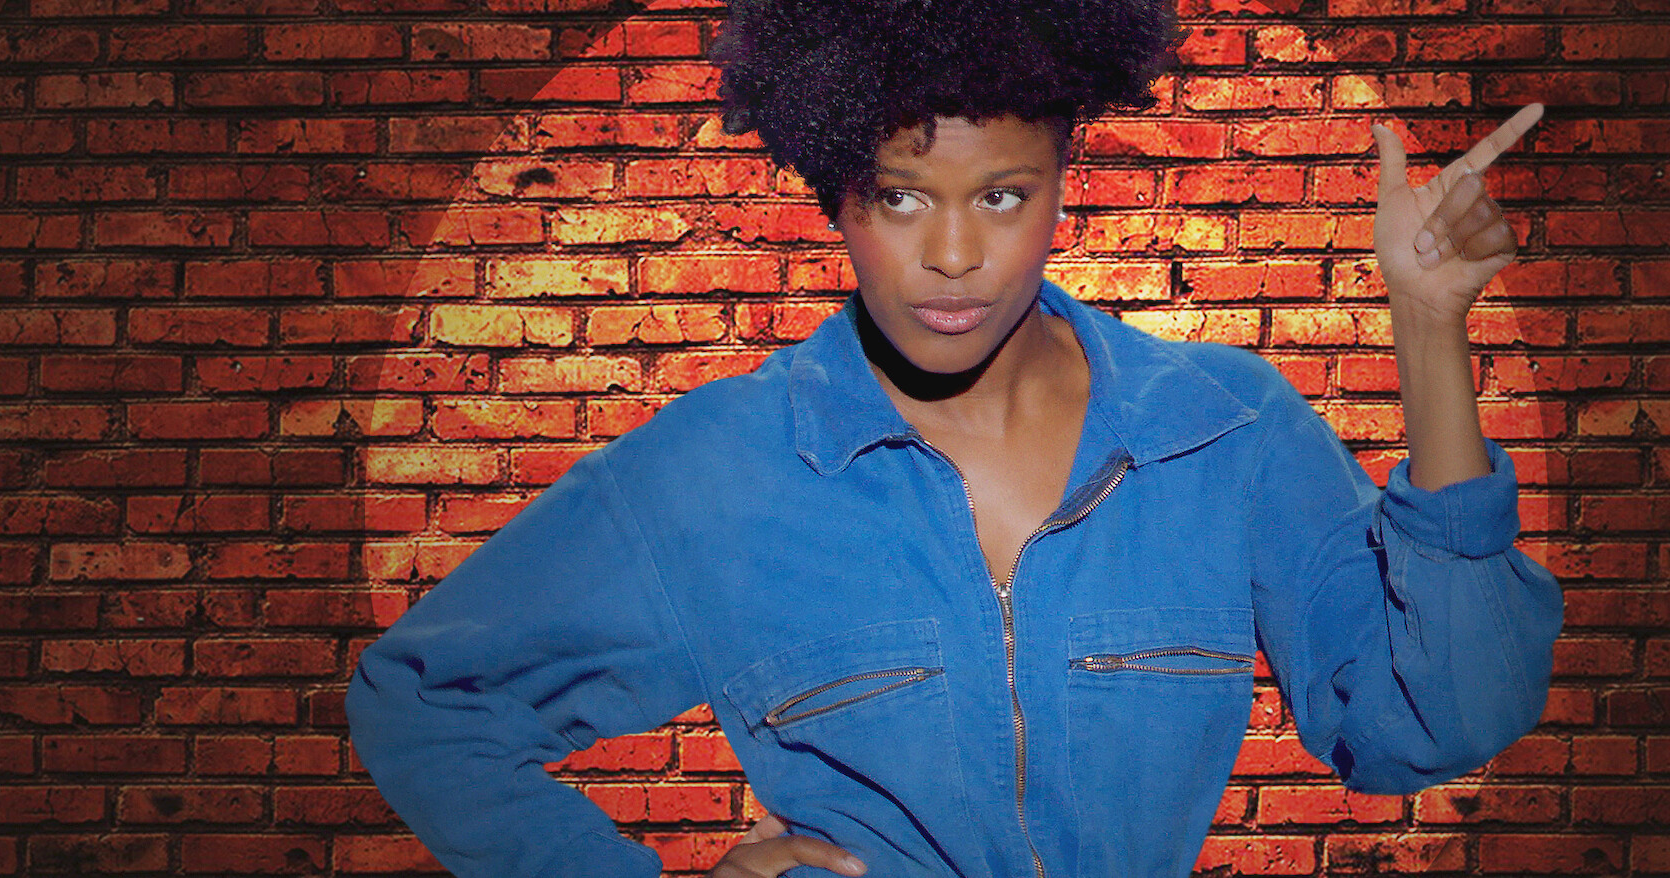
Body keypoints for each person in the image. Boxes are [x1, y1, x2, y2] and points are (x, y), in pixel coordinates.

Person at [346, 1, 1565, 875]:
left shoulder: (1221, 429)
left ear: (1063, 179)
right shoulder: (718, 469)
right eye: (900, 195)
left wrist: (1427, 330)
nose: (952, 255)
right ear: (835, 190)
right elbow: (428, 703)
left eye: (1000, 194)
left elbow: (1432, 722)